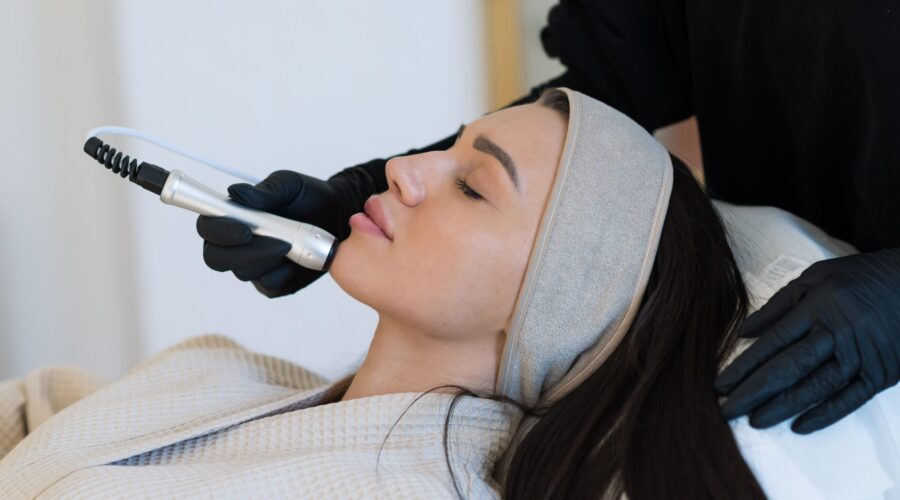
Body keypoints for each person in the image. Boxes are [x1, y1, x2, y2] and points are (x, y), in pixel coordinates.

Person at [8, 88, 895, 498]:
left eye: (471, 184)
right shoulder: (221, 373)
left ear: (552, 305)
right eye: (448, 146)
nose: (401, 167)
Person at [198, 0, 900, 436]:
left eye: (472, 188)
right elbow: (603, 105)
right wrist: (358, 193)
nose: (402, 173)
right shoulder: (203, 378)